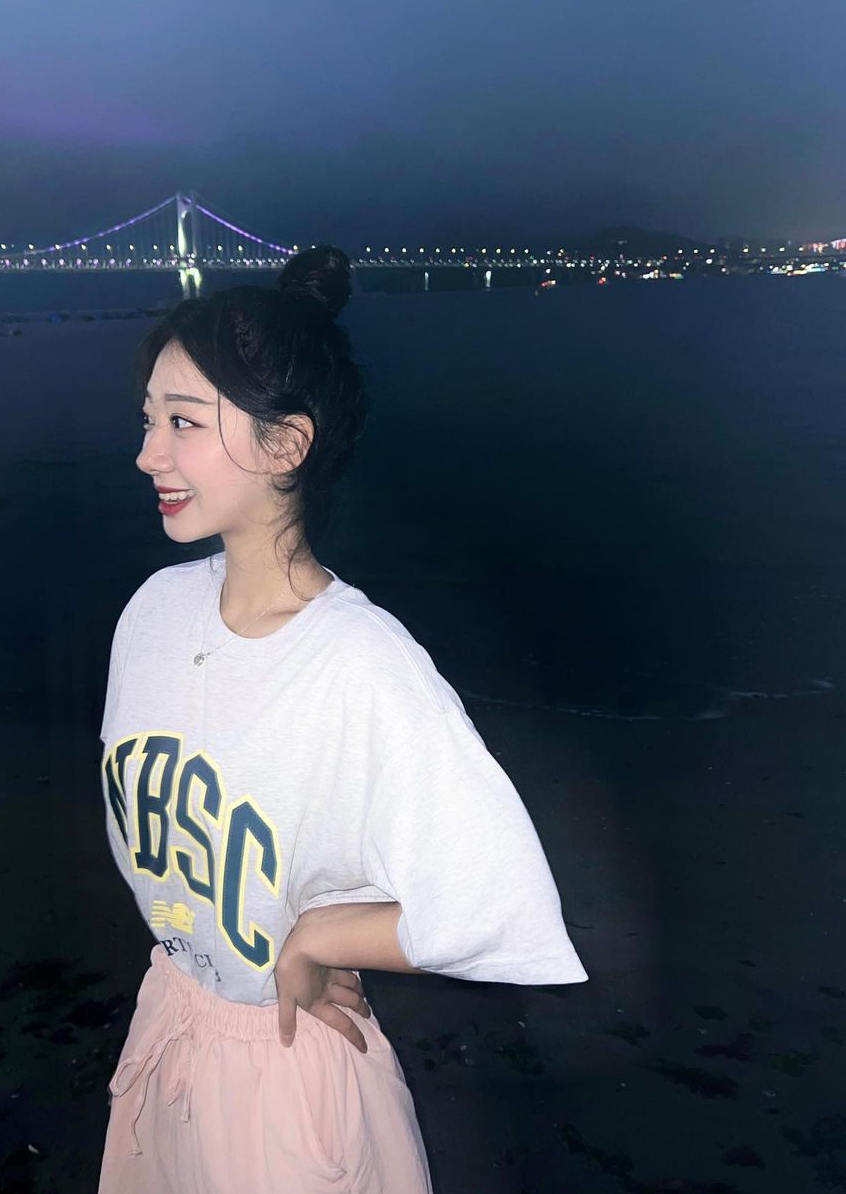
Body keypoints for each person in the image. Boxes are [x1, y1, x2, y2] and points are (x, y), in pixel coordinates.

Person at [96, 244, 588, 1193]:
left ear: (287, 445)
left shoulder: (360, 665)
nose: (148, 453)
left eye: (183, 422)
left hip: (285, 1074)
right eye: (149, 419)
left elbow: (498, 907)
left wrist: (323, 936)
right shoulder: (151, 612)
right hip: (168, 1022)